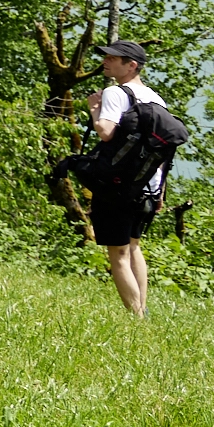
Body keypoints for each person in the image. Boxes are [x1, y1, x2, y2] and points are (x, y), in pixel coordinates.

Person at [81, 39, 173, 316]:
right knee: (134, 247)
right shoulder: (157, 99)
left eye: (113, 58)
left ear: (131, 65)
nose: (105, 61)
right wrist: (161, 192)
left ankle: (137, 318)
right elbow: (164, 149)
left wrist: (94, 109)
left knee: (118, 255)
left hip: (118, 184)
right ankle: (141, 309)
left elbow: (106, 132)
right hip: (149, 185)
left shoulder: (115, 93)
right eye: (106, 56)